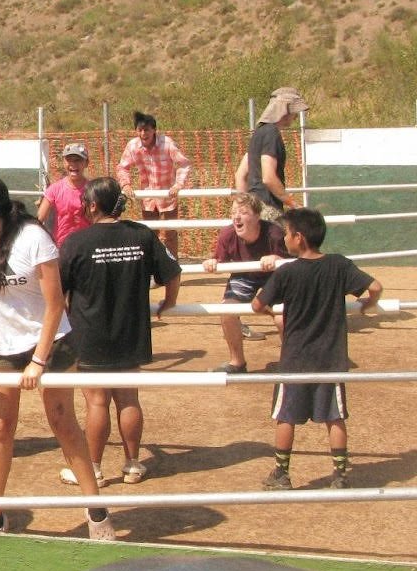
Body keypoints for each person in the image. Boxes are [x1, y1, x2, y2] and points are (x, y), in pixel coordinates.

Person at [0, 171, 115, 541]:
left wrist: (38, 360)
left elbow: (56, 305)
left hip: (50, 343)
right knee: (0, 428)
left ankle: (97, 511)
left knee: (62, 422)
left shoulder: (34, 238)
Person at [58, 177, 181, 487]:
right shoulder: (142, 235)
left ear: (94, 205)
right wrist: (169, 302)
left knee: (96, 402)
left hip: (90, 334)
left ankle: (94, 469)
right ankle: (132, 464)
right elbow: (173, 273)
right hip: (132, 331)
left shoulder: (77, 242)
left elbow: (57, 293)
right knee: (128, 399)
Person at [252, 207, 381, 490]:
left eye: (286, 234)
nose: (284, 239)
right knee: (334, 417)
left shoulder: (288, 272)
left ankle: (281, 474)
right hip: (331, 358)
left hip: (295, 358)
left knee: (286, 416)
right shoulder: (339, 265)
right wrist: (368, 306)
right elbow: (375, 287)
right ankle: (340, 476)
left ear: (298, 238)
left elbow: (257, 305)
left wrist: (270, 311)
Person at [203, 192, 289, 373]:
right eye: (234, 212)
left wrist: (276, 258)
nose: (236, 216)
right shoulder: (227, 234)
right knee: (227, 312)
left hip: (274, 276)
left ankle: (290, 361)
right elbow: (219, 259)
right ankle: (237, 362)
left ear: (257, 216)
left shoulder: (274, 234)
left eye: (243, 212)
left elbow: (291, 263)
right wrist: (213, 262)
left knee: (281, 317)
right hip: (244, 275)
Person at [115, 111, 193, 260]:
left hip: (168, 196)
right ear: (136, 131)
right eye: (140, 130)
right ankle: (152, 271)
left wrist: (178, 185)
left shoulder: (167, 144)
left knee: (170, 234)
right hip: (148, 198)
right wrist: (125, 185)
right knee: (149, 234)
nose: (143, 133)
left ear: (154, 130)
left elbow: (184, 164)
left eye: (147, 130)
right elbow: (122, 167)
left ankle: (172, 270)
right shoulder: (132, 146)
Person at [235, 87, 307, 221]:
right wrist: (293, 203)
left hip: (253, 212)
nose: (295, 116)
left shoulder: (258, 133)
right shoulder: (272, 134)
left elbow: (240, 175)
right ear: (285, 110)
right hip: (268, 210)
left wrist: (243, 207)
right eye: (293, 111)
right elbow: (268, 177)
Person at [38, 142, 91, 248]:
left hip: (86, 247)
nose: (73, 164)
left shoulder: (93, 189)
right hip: (61, 248)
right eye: (69, 160)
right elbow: (39, 219)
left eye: (78, 160)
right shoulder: (54, 189)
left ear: (86, 163)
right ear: (63, 162)